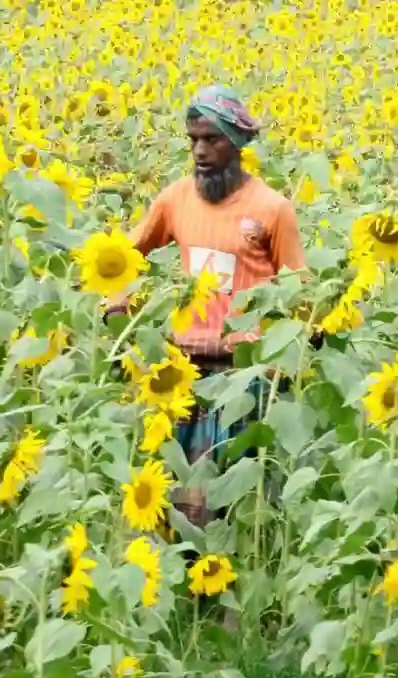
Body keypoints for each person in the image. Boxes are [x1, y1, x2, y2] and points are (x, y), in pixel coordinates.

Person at [128, 84, 307, 526]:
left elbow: (298, 291)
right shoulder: (175, 200)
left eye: (212, 139)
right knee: (178, 496)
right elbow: (127, 255)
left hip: (244, 374)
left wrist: (278, 346)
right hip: (184, 369)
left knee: (239, 497)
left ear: (237, 141)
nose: (200, 151)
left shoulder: (271, 209)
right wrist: (118, 305)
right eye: (193, 140)